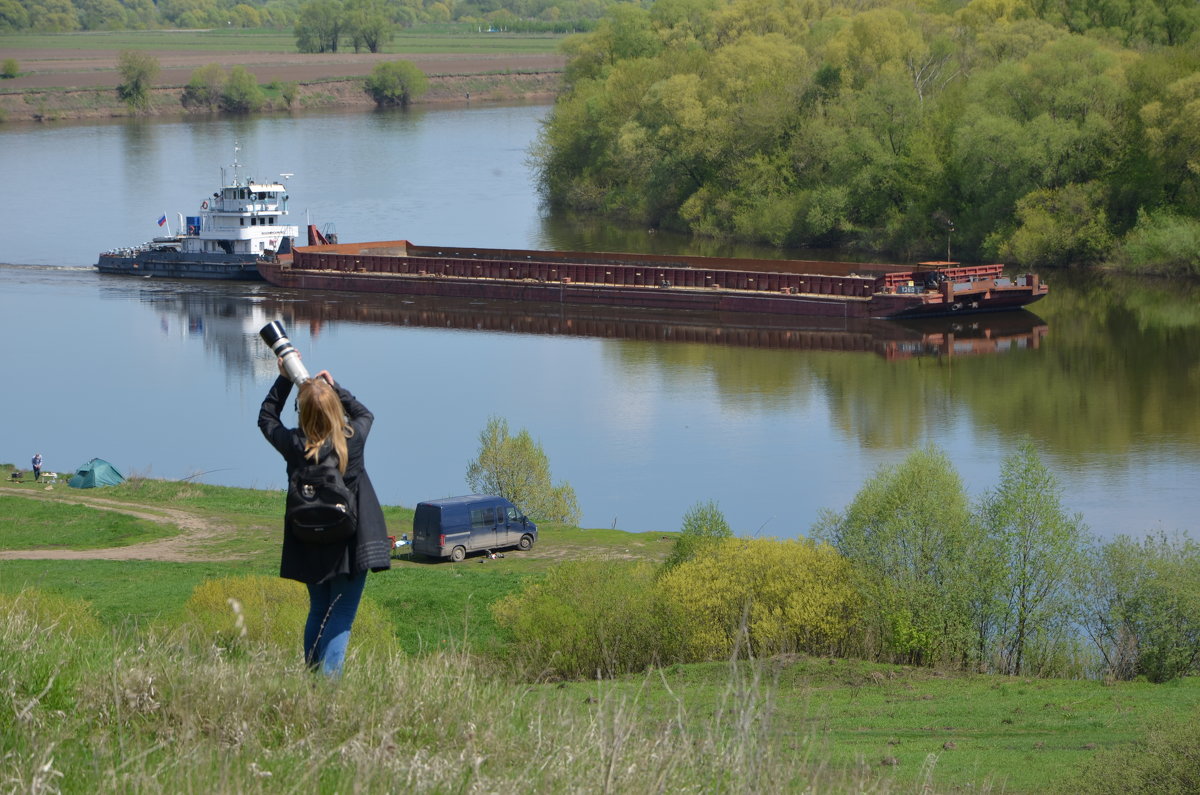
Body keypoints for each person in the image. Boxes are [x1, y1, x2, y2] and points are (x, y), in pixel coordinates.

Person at [258, 364, 391, 677]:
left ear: (302, 413)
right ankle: (327, 690)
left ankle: (314, 680)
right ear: (335, 409)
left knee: (319, 609)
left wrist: (285, 378)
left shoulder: (295, 446)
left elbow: (266, 418)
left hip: (309, 540)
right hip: (348, 542)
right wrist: (336, 388)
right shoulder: (351, 440)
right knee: (341, 613)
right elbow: (365, 414)